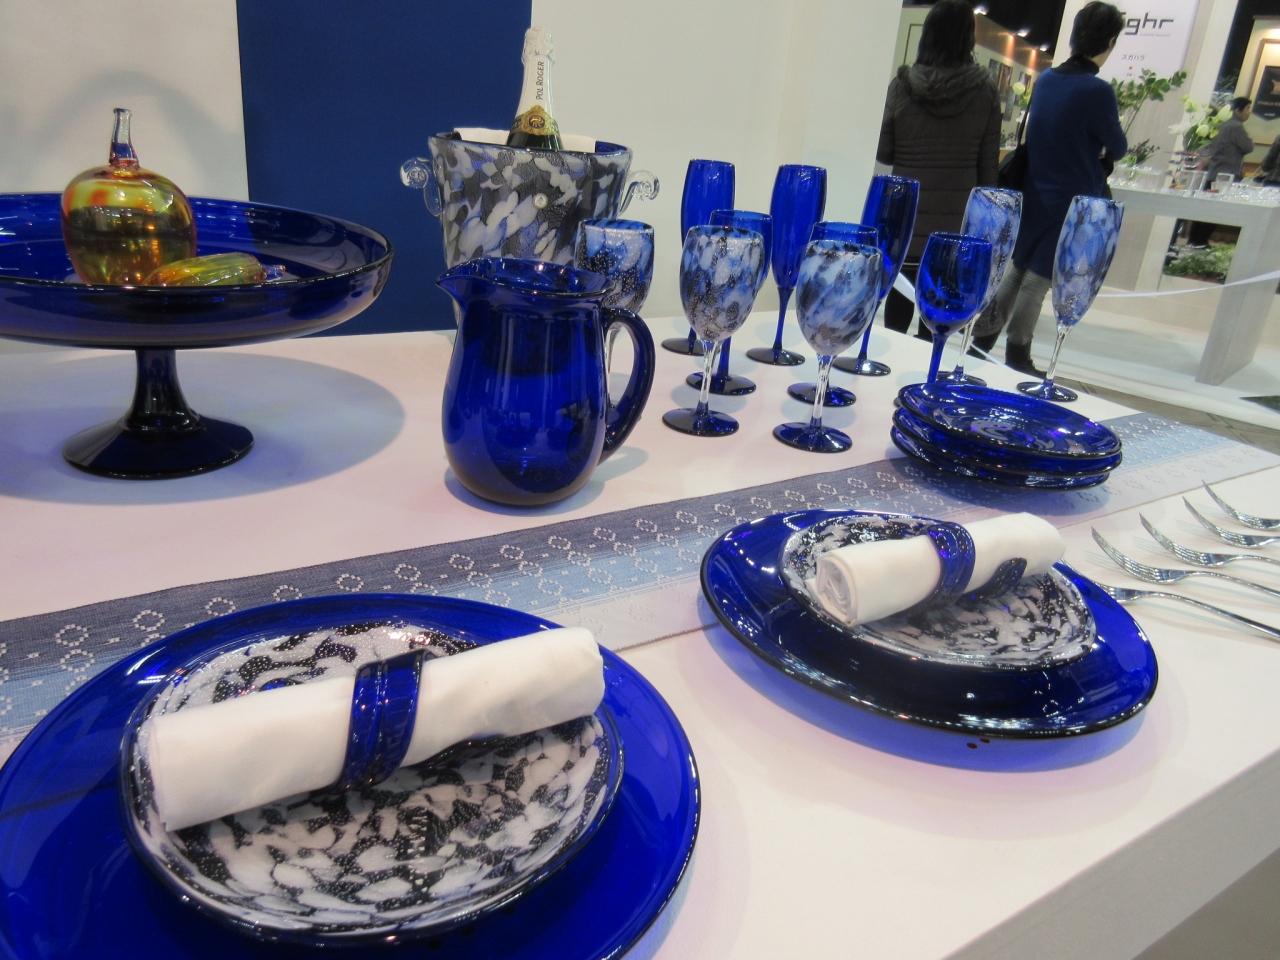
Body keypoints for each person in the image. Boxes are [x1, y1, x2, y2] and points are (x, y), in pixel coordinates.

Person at [971, 1, 1126, 375]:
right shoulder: (1097, 92)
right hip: (1070, 200)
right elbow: (1118, 146)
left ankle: (982, 341)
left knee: (1018, 267)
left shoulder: (1047, 81)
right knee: (1038, 279)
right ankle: (1017, 353)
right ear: (1109, 41)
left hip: (1034, 190)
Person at [876, 0, 1000, 337]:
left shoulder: (902, 85)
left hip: (907, 216)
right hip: (955, 225)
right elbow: (988, 172)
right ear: (967, 37)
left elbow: (885, 151)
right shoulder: (985, 91)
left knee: (898, 304)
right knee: (939, 315)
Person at [1187, 97, 1254, 245]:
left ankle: (1195, 240)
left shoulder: (1222, 124)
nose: (1250, 112)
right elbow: (1248, 147)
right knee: (1215, 211)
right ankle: (1200, 241)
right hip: (1224, 175)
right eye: (1248, 108)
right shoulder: (1236, 127)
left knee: (1205, 211)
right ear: (1238, 110)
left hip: (1214, 172)